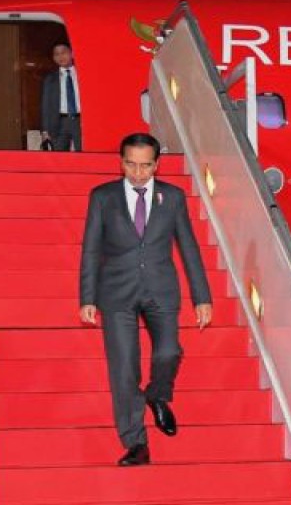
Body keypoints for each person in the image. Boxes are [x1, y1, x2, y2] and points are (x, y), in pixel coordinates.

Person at [79, 133, 212, 466]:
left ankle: (157, 394)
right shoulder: (103, 197)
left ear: (157, 164)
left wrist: (202, 296)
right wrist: (87, 296)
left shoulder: (173, 197)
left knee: (168, 351)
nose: (138, 173)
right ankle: (136, 442)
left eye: (145, 166)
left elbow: (189, 247)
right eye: (130, 164)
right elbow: (91, 249)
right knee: (124, 369)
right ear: (121, 161)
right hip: (116, 293)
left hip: (161, 288)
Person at [41, 41, 82, 151]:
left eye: (63, 52)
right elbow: (46, 106)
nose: (60, 57)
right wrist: (45, 130)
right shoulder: (50, 79)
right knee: (59, 158)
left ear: (72, 54)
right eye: (56, 54)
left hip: (81, 121)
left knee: (85, 156)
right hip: (59, 122)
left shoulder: (83, 75)